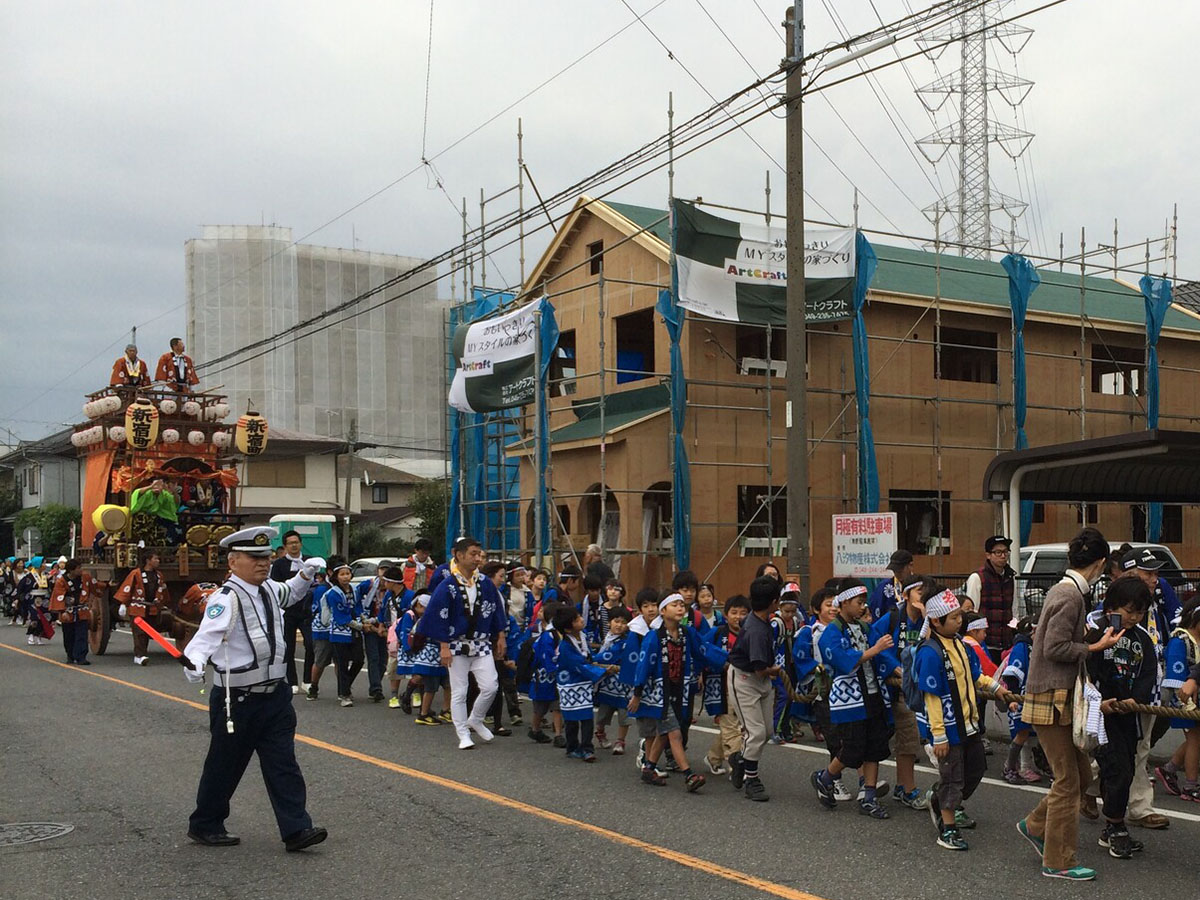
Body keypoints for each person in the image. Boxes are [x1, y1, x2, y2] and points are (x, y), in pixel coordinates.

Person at [181, 525, 326, 852]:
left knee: (283, 763)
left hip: (275, 695)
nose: (262, 563)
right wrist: (195, 661)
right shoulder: (226, 599)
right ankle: (205, 823)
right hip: (238, 699)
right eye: (253, 557)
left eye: (265, 556)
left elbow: (290, 593)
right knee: (224, 765)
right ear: (233, 562)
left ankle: (296, 830)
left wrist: (306, 575)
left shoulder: (270, 589)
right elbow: (205, 638)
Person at [1016, 527, 1122, 882]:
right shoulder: (1071, 595)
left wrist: (1093, 640)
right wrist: (1093, 647)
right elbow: (1054, 648)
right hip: (1052, 696)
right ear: (1101, 563)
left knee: (1079, 775)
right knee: (1067, 779)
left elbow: (1048, 640)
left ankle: (1035, 825)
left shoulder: (1066, 590)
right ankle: (1058, 860)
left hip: (1053, 695)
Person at [915, 588, 1019, 851]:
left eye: (960, 617)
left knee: (975, 770)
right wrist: (938, 735)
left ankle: (939, 798)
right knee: (953, 778)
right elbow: (932, 697)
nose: (959, 622)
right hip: (948, 729)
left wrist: (998, 689)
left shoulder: (960, 645)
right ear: (936, 622)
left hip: (970, 724)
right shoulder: (930, 652)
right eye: (954, 618)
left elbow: (976, 675)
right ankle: (947, 828)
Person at [1083, 577, 1156, 859]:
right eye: (1129, 611)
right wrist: (1099, 702)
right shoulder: (1097, 634)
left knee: (1125, 768)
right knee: (1117, 768)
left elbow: (1148, 673)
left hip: (1128, 715)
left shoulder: (1142, 639)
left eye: (1140, 612)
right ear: (1111, 606)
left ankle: (1111, 822)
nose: (1134, 618)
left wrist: (1136, 699)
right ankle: (1115, 825)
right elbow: (1085, 670)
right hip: (1099, 715)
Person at [811, 578, 895, 819]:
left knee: (876, 746)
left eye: (864, 602)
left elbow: (884, 656)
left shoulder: (865, 628)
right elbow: (841, 660)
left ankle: (868, 796)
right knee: (853, 748)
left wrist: (899, 671)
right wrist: (873, 651)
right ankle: (825, 777)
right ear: (844, 602)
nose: (863, 607)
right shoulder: (831, 632)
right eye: (859, 602)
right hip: (850, 699)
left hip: (873, 693)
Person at [415, 536, 508, 750]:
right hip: (455, 643)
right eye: (473, 554)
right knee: (460, 691)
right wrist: (444, 646)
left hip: (481, 642)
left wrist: (500, 636)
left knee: (490, 686)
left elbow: (496, 609)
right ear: (459, 555)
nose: (478, 558)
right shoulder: (447, 584)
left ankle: (475, 718)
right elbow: (437, 614)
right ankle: (463, 733)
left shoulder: (484, 582)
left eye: (479, 554)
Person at [628, 593, 726, 792]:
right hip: (657, 691)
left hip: (679, 689)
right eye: (675, 605)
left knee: (665, 732)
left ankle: (649, 768)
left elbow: (703, 649)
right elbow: (644, 665)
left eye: (682, 605)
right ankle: (689, 774)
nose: (681, 608)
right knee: (674, 732)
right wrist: (637, 693)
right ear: (663, 611)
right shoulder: (653, 636)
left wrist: (727, 660)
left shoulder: (687, 633)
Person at [869, 575, 932, 810]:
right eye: (918, 593)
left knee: (909, 738)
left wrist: (927, 618)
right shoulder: (893, 618)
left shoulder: (930, 620)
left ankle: (905, 788)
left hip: (910, 691)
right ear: (905, 595)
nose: (922, 598)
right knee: (872, 738)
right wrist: (895, 667)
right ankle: (853, 781)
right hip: (886, 687)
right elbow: (874, 643)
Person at [726, 580, 779, 800]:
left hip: (760, 681)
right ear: (774, 602)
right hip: (745, 679)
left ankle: (739, 760)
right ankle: (751, 779)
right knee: (755, 732)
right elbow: (759, 670)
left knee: (766, 731)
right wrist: (775, 670)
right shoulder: (756, 629)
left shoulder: (760, 618)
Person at [553, 605, 614, 761]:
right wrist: (603, 671)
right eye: (576, 620)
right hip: (570, 684)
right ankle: (572, 747)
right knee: (572, 719)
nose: (581, 620)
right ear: (568, 629)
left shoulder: (583, 636)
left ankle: (587, 748)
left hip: (583, 683)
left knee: (586, 717)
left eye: (579, 616)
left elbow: (589, 657)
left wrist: (602, 662)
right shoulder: (566, 647)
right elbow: (579, 665)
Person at [1158, 596, 1200, 803]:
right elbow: (1175, 678)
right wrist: (1187, 704)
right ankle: (1191, 785)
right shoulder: (1179, 640)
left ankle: (1169, 769)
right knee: (1195, 739)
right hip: (1183, 700)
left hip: (1197, 698)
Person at [703, 595, 748, 777]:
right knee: (732, 727)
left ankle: (713, 757)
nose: (738, 617)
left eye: (743, 613)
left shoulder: (750, 633)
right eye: (734, 612)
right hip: (722, 687)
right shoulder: (717, 632)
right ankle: (736, 766)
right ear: (726, 614)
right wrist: (721, 661)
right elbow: (701, 648)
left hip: (745, 687)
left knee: (736, 727)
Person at [269, 530, 315, 695]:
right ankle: (292, 681)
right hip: (287, 611)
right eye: (290, 543)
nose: (294, 545)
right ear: (285, 546)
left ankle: (307, 680)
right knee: (288, 647)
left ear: (301, 543)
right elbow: (275, 588)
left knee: (311, 644)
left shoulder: (309, 561)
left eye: (296, 542)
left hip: (306, 610)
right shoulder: (279, 564)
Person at [999, 616, 1043, 785]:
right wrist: (1012, 697)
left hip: (1032, 696)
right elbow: (1012, 674)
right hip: (1019, 697)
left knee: (1030, 733)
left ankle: (1026, 766)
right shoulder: (1021, 647)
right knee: (1022, 732)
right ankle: (1009, 766)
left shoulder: (1034, 646)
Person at [964, 535, 1017, 660]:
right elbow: (972, 613)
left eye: (1005, 552)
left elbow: (1013, 609)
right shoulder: (977, 578)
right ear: (988, 555)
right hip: (985, 644)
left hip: (1006, 643)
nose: (1003, 556)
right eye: (998, 552)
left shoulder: (1010, 577)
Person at [116, 551, 171, 665]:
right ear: (148, 561)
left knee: (147, 632)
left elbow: (162, 590)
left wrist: (162, 603)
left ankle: (142, 653)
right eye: (155, 559)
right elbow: (127, 588)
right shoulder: (136, 573)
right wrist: (123, 604)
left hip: (152, 607)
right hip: (138, 607)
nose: (158, 561)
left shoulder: (159, 575)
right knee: (139, 632)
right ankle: (139, 655)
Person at [594, 606, 636, 754]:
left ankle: (620, 741)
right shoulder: (607, 638)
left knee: (624, 713)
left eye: (623, 622)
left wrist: (592, 660)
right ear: (609, 623)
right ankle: (600, 732)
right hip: (607, 682)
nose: (619, 625)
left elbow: (611, 655)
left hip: (624, 682)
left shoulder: (626, 641)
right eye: (616, 621)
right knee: (603, 712)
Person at [324, 559, 364, 707]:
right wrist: (360, 626)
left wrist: (364, 619)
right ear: (336, 576)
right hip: (340, 630)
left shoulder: (354, 589)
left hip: (355, 628)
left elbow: (358, 607)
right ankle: (345, 694)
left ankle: (344, 686)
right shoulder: (333, 594)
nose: (346, 576)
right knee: (342, 662)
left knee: (359, 659)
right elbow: (341, 617)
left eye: (348, 573)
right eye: (342, 574)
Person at [355, 560, 394, 703]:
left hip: (385, 626)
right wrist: (362, 617)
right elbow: (355, 598)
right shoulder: (368, 585)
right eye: (382, 569)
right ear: (377, 570)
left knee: (384, 659)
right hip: (369, 624)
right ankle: (376, 688)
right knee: (373, 657)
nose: (384, 573)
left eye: (387, 570)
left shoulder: (392, 588)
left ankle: (376, 683)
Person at [49, 558, 94, 665]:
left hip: (82, 610)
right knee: (69, 634)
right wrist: (62, 610)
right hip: (68, 611)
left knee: (82, 634)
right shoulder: (62, 581)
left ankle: (81, 657)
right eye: (78, 568)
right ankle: (70, 655)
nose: (81, 570)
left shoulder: (85, 577)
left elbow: (95, 586)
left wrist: (106, 585)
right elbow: (58, 595)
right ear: (71, 570)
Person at [130, 478, 182, 544]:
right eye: (156, 485)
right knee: (142, 532)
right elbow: (138, 492)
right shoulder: (147, 492)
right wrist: (151, 487)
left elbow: (175, 502)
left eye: (160, 485)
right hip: (140, 518)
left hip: (154, 519)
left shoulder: (164, 494)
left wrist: (174, 492)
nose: (157, 487)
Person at [869, 549, 914, 619]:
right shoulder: (884, 586)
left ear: (910, 566)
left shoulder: (920, 586)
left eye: (900, 570)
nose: (897, 573)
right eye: (894, 570)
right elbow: (876, 610)